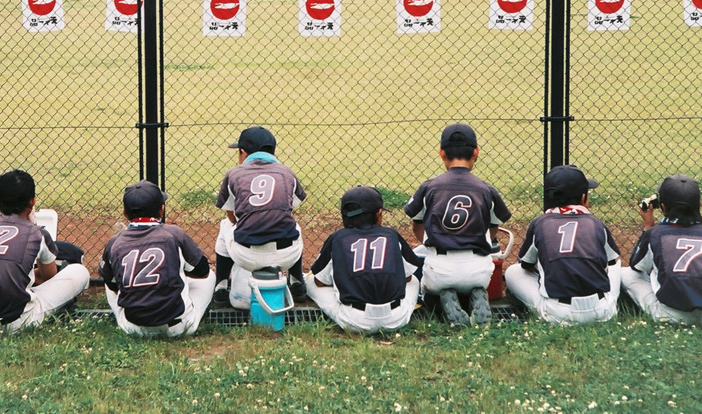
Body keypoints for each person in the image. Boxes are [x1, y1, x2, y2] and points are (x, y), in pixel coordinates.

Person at [0, 170, 90, 335]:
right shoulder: (37, 233)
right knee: (80, 272)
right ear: (32, 202)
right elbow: (47, 277)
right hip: (17, 323)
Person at [403, 123, 511, 326]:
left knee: (421, 265)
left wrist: (430, 241)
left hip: (440, 269)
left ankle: (438, 299)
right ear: (476, 152)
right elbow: (493, 229)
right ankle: (474, 294)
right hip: (478, 272)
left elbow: (417, 224)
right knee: (476, 267)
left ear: (441, 153)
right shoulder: (487, 190)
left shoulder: (429, 187)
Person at [504, 165, 621, 324]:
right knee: (616, 265)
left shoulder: (540, 224)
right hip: (600, 311)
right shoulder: (596, 224)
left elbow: (526, 265)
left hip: (558, 314)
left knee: (513, 271)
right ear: (583, 198)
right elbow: (611, 262)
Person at [99, 181, 215, 338]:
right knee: (209, 277)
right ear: (161, 210)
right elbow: (203, 271)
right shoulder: (174, 234)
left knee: (109, 280)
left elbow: (113, 286)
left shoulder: (115, 242)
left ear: (124, 213)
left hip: (134, 328)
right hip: (178, 328)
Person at [306, 186, 422, 334]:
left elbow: (320, 281)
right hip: (395, 319)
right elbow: (407, 277)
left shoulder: (338, 238)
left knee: (310, 281)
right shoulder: (392, 235)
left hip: (355, 321)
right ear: (379, 214)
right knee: (414, 281)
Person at [213, 126, 307, 308]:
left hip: (247, 256)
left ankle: (221, 286)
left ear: (243, 152)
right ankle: (296, 283)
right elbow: (289, 209)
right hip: (287, 255)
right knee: (295, 226)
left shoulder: (234, 174)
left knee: (225, 225)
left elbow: (232, 217)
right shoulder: (287, 172)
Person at [621, 174, 702, 326]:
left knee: (628, 273)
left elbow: (636, 266)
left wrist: (648, 226)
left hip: (670, 315)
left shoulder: (655, 233)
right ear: (699, 204)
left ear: (663, 207)